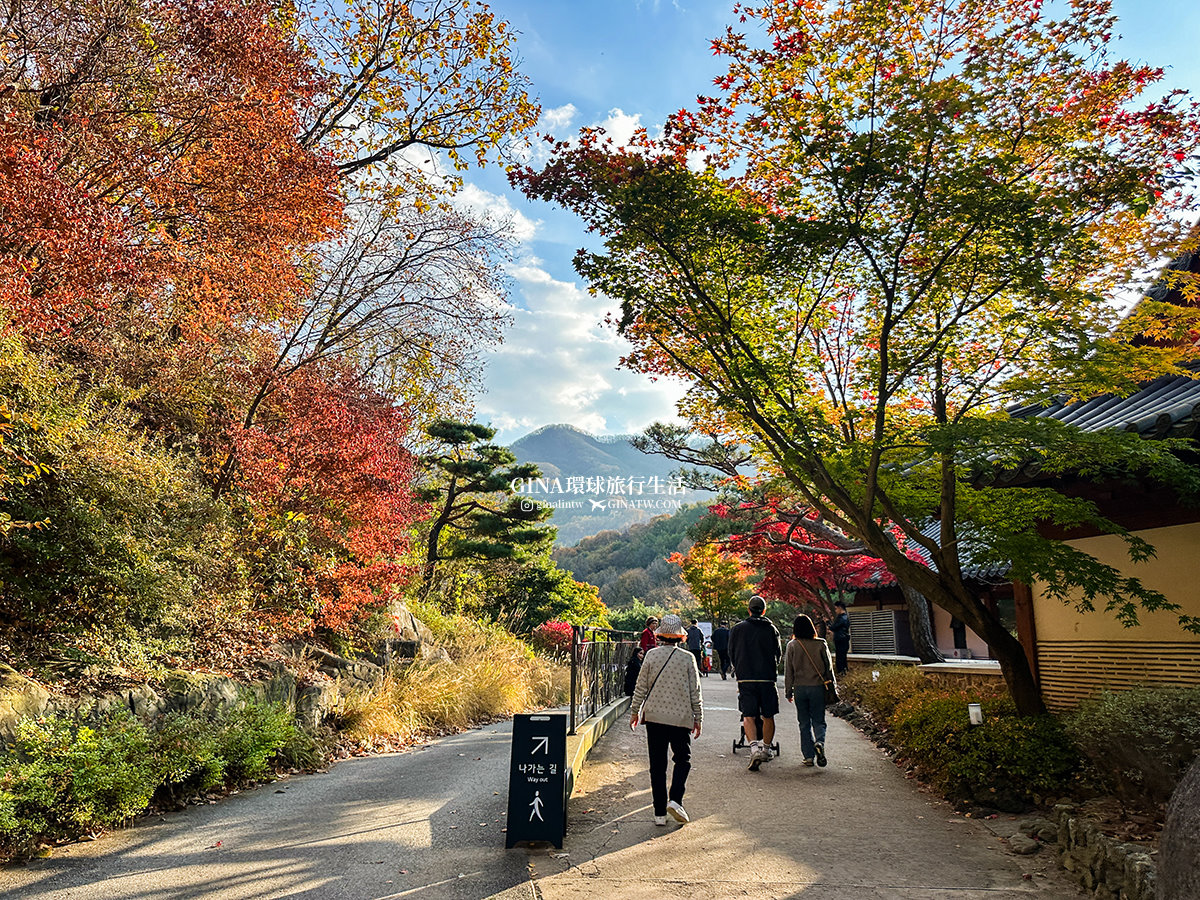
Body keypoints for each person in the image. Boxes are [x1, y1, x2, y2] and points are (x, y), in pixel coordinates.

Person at [629, 614, 703, 826]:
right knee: (682, 759)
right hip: (681, 718)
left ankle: (659, 813)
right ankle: (676, 800)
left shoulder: (651, 655)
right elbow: (694, 692)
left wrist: (635, 712)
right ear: (680, 636)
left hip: (654, 717)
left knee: (657, 765)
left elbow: (640, 686)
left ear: (660, 634)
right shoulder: (688, 658)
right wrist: (698, 717)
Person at [727, 595, 781, 772]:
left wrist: (738, 668)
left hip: (746, 677)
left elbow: (731, 652)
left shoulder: (737, 629)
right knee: (768, 715)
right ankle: (766, 749)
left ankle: (754, 749)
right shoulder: (771, 629)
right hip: (766, 678)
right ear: (764, 610)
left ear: (749, 610)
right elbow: (778, 654)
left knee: (748, 715)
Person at [785, 613, 835, 768]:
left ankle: (808, 756)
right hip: (818, 687)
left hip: (800, 688)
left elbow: (789, 671)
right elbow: (828, 668)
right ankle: (819, 742)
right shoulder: (821, 644)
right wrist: (832, 686)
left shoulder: (792, 645)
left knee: (804, 722)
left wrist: (788, 691)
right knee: (819, 720)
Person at [829, 601, 851, 675]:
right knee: (842, 657)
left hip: (841, 639)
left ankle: (841, 672)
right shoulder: (844, 617)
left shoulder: (842, 618)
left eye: (836, 608)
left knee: (840, 657)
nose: (835, 610)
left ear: (839, 607)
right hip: (843, 638)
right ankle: (843, 671)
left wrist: (828, 623)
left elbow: (834, 627)